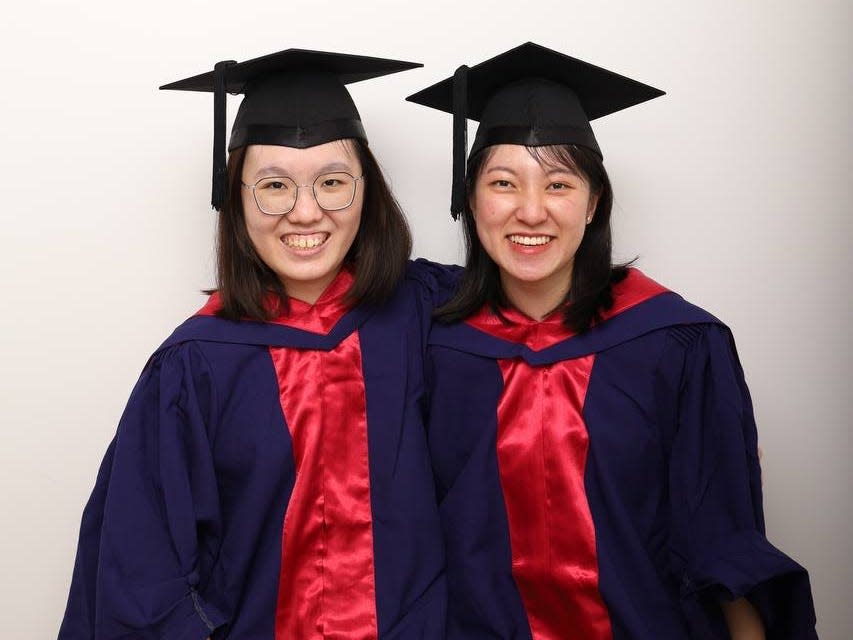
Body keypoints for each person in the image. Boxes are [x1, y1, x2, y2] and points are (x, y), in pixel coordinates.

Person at [408, 42, 817, 639]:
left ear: (594, 202)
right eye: (502, 182)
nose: (530, 210)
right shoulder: (430, 339)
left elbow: (722, 537)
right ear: (470, 200)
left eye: (558, 185)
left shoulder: (675, 345)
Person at [59, 48, 448, 639]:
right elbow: (141, 574)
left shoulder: (426, 312)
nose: (306, 211)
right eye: (273, 186)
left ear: (367, 191)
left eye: (333, 182)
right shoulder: (194, 365)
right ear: (235, 198)